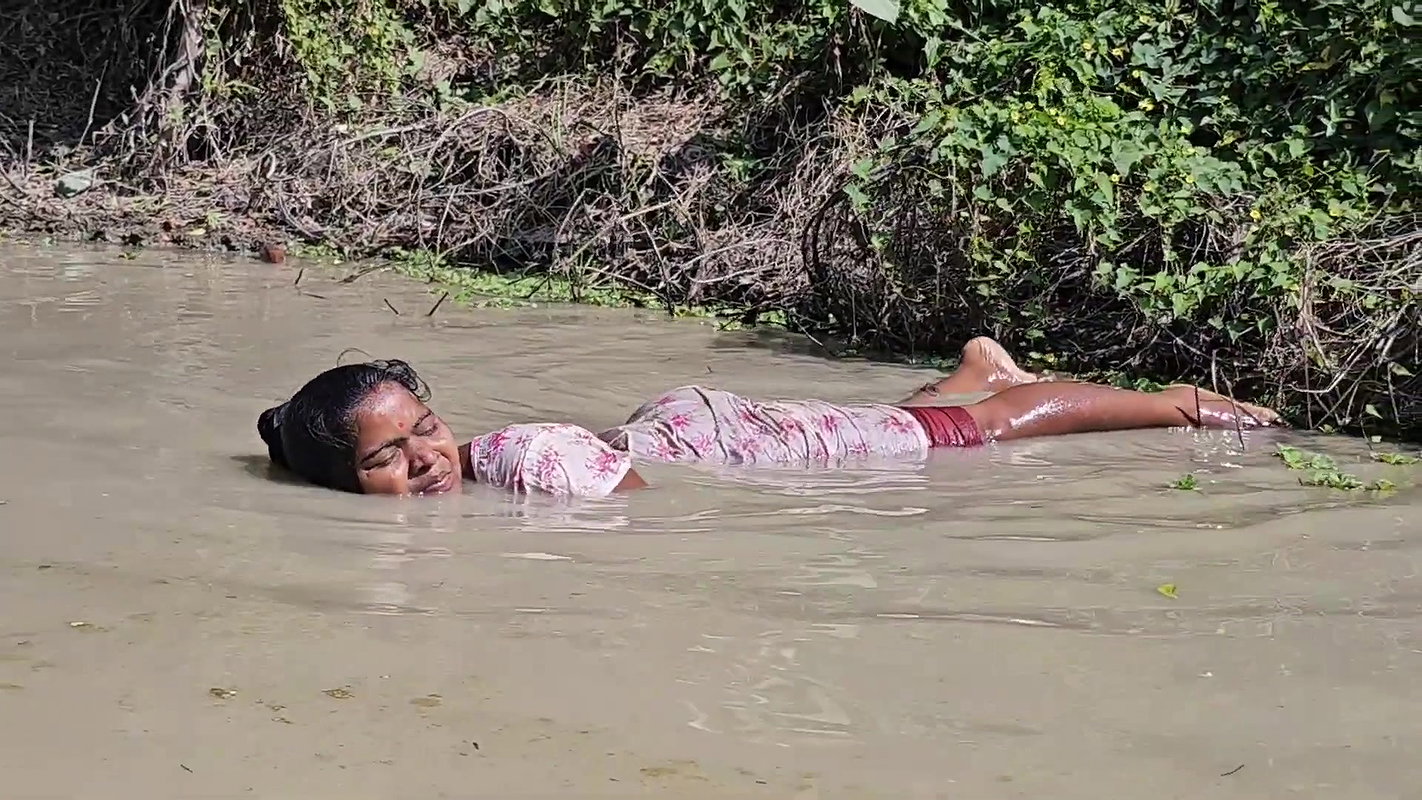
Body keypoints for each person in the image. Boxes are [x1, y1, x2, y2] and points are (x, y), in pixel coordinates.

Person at [256, 337, 1280, 498]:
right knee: (868, 424)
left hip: (712, 442)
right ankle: (968, 364)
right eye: (388, 457)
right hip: (684, 424)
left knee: (990, 429)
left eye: (424, 429)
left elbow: (656, 509)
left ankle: (1177, 402)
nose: (426, 457)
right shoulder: (493, 476)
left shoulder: (526, 465)